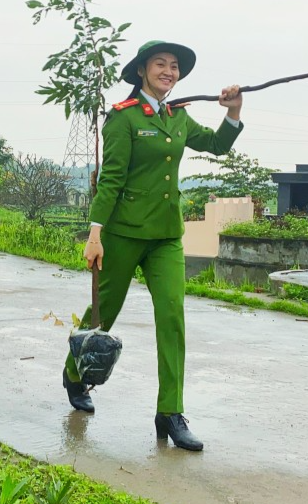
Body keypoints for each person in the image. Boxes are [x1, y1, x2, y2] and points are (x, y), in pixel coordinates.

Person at [61, 41, 244, 452]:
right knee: (102, 314)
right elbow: (110, 179)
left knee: (173, 317)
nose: (169, 71)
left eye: (174, 66)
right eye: (160, 64)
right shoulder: (123, 118)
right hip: (123, 233)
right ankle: (75, 374)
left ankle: (170, 411)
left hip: (165, 237)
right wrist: (95, 233)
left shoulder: (177, 116)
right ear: (142, 70)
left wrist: (233, 112)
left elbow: (216, 145)